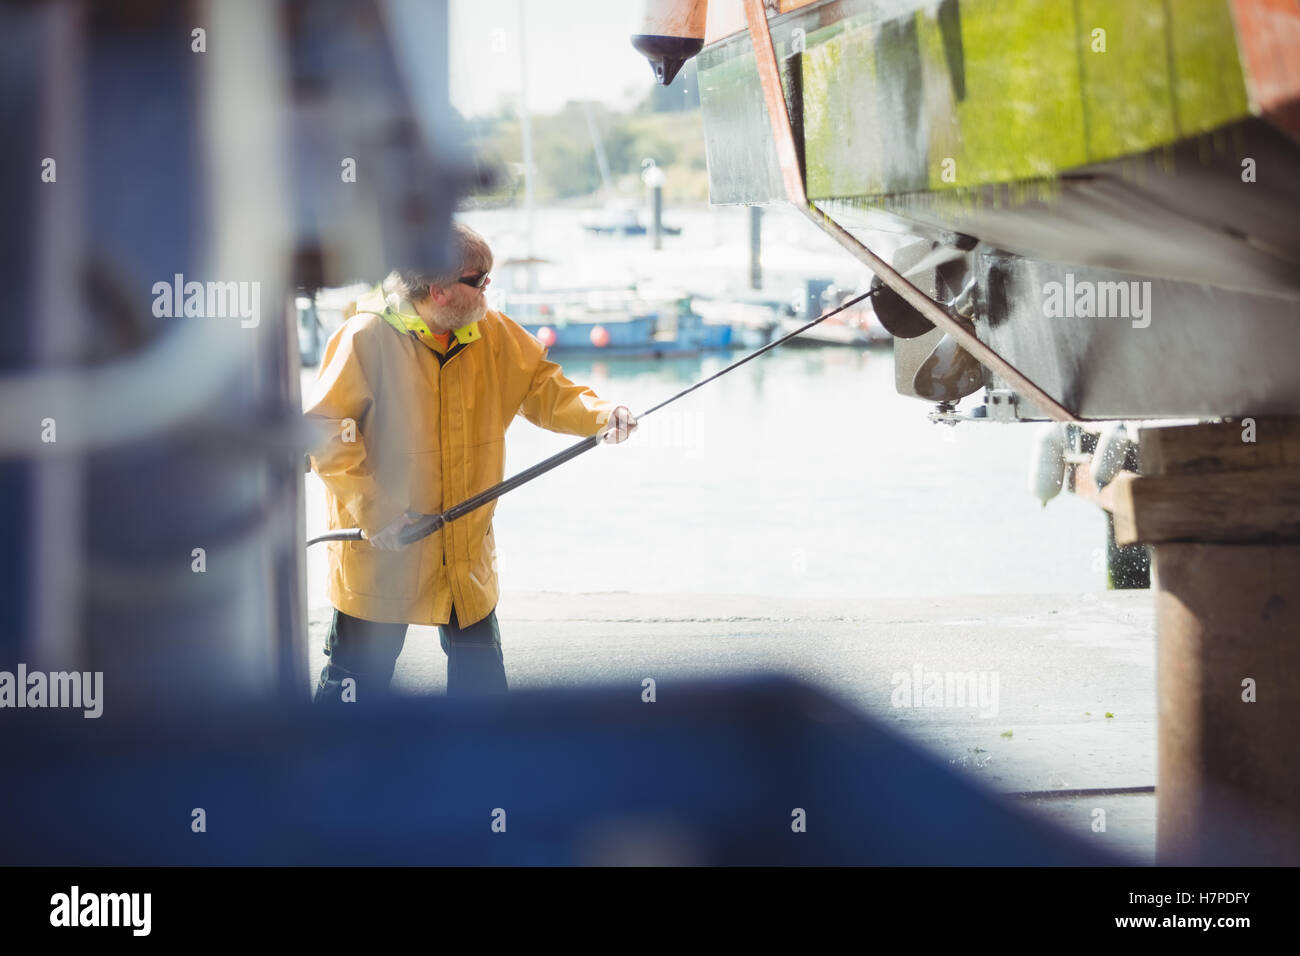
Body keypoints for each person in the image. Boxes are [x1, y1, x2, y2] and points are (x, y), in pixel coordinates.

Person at [304, 223, 636, 702]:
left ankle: (484, 774)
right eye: (478, 279)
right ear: (439, 291)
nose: (488, 288)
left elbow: (545, 389)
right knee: (352, 687)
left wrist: (603, 416)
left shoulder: (493, 331)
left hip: (464, 553)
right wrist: (378, 513)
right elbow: (328, 436)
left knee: (482, 691)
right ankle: (326, 771)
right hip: (383, 550)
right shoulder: (365, 337)